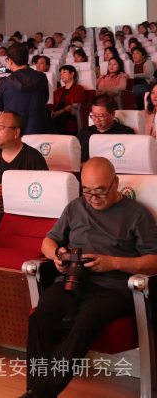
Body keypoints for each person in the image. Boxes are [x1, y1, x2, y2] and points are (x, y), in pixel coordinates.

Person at [21, 158, 157, 398]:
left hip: (113, 287)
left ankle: (38, 393)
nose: (93, 198)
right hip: (73, 279)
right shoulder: (75, 207)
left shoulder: (137, 214)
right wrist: (58, 255)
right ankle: (37, 391)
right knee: (40, 316)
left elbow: (154, 260)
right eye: (87, 191)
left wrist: (112, 263)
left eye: (100, 192)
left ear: (116, 183)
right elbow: (48, 241)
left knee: (85, 321)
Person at [0, 112, 48, 231]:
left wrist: (9, 194)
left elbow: (43, 193)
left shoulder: (33, 158)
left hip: (23, 219)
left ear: (16, 132)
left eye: (1, 126)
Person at [0, 43, 53, 135]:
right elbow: (45, 99)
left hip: (15, 133)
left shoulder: (4, 83)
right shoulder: (42, 77)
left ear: (10, 61)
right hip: (40, 129)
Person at [76, 95, 135, 163]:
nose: (97, 120)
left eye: (101, 116)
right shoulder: (84, 132)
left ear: (112, 114)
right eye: (94, 115)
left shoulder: (125, 133)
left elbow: (128, 160)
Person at [53, 65, 86, 135]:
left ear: (72, 73)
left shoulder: (78, 88)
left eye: (64, 72)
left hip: (71, 113)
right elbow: (54, 104)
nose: (62, 75)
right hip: (57, 110)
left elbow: (76, 104)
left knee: (60, 117)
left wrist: (60, 112)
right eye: (61, 74)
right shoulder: (58, 90)